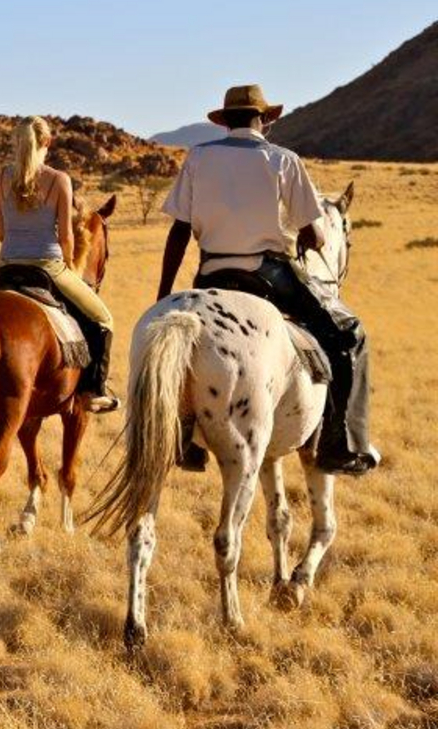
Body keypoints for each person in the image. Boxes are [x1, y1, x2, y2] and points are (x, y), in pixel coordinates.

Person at [157, 84, 377, 476]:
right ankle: (338, 444)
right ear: (266, 121)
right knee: (347, 333)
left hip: (210, 271)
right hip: (268, 273)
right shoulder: (283, 159)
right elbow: (316, 233)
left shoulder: (198, 157)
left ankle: (184, 435)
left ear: (225, 121)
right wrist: (310, 237)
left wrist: (163, 294)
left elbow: (179, 230)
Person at [0, 116, 118, 413]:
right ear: (47, 143)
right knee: (102, 319)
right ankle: (92, 391)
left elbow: (1, 233)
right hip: (48, 266)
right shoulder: (59, 180)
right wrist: (70, 265)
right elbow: (67, 238)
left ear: (17, 143)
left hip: (5, 266)